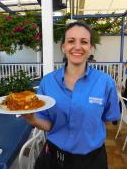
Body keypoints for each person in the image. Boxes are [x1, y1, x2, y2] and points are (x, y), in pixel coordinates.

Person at [23, 22, 120, 169]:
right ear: (63, 47)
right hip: (53, 159)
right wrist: (31, 118)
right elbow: (48, 125)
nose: (77, 47)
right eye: (71, 41)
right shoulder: (48, 82)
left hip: (92, 161)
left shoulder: (105, 82)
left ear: (91, 48)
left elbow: (106, 119)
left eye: (84, 42)